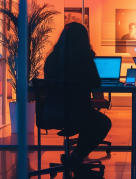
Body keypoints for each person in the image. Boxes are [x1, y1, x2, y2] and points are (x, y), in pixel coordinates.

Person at [44, 22, 112, 166]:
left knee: (88, 120)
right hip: (80, 114)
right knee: (103, 122)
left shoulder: (51, 60)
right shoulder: (84, 60)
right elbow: (97, 83)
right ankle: (77, 155)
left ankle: (75, 157)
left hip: (53, 114)